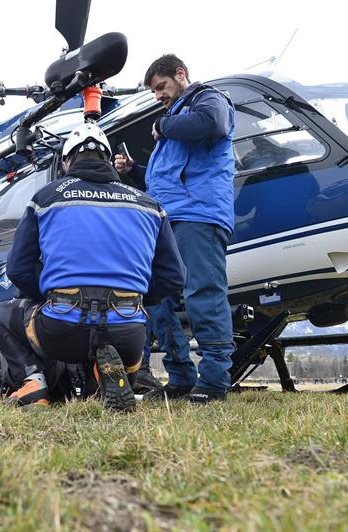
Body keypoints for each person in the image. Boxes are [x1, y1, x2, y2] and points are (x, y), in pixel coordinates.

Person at [0, 122, 185, 410]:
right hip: (128, 331)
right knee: (114, 347)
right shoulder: (149, 204)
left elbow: (18, 268)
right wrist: (140, 298)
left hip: (62, 327)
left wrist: (48, 296)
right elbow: (175, 276)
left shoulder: (45, 198)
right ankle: (107, 376)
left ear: (67, 162)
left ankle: (32, 383)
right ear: (108, 160)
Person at [115, 54, 236, 403]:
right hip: (168, 219)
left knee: (203, 291)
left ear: (180, 75)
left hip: (199, 214)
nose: (157, 96)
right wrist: (134, 170)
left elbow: (212, 124)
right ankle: (181, 374)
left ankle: (214, 380)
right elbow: (161, 181)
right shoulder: (176, 121)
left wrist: (164, 126)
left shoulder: (208, 99)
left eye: (161, 87)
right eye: (154, 91)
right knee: (158, 295)